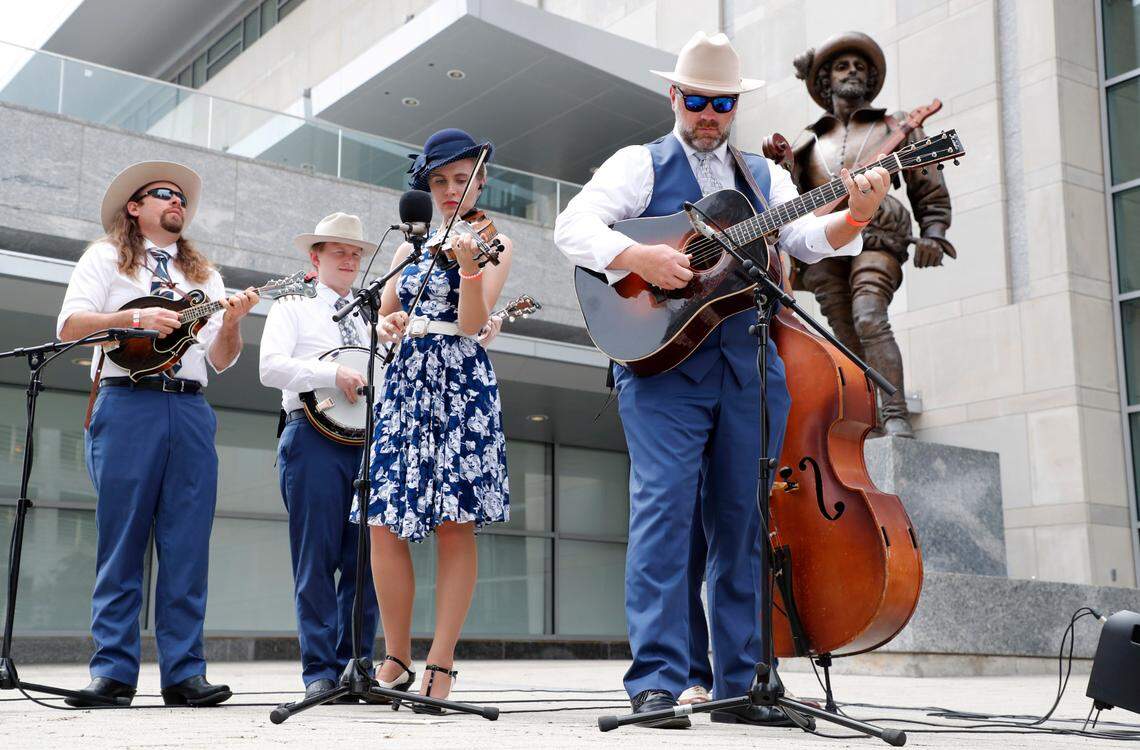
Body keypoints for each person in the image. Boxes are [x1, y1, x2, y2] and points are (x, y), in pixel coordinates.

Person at [554, 32, 889, 729]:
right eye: (698, 100)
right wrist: (640, 255)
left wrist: (856, 215)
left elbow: (803, 239)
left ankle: (742, 685)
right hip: (663, 366)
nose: (709, 115)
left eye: (723, 104)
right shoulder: (638, 164)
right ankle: (657, 682)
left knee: (742, 521)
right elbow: (572, 227)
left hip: (748, 363)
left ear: (736, 106)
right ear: (674, 96)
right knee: (664, 514)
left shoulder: (764, 179)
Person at [57, 161, 258, 707]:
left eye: (182, 199)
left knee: (187, 545)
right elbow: (69, 326)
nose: (177, 202)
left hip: (189, 408)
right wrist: (135, 320)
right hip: (127, 403)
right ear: (134, 206)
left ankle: (185, 675)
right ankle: (113, 673)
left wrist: (233, 322)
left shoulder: (204, 275)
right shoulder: (105, 257)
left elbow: (221, 359)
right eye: (164, 194)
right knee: (122, 541)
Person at [352, 128, 512, 712]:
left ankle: (441, 661)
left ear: (481, 181)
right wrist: (387, 324)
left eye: (461, 179)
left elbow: (472, 324)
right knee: (384, 520)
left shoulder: (495, 242)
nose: (449, 190)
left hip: (460, 383)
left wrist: (468, 269)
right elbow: (382, 317)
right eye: (439, 180)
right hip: (406, 381)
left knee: (454, 522)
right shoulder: (409, 246)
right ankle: (396, 658)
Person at [785, 31, 955, 437]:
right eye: (842, 66)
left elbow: (927, 183)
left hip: (878, 235)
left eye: (859, 66)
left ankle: (895, 414)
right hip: (823, 247)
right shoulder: (806, 142)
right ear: (825, 80)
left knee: (869, 316)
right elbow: (788, 200)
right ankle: (866, 420)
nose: (852, 72)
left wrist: (933, 231)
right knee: (843, 331)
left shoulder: (895, 126)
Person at [258, 212, 382, 700]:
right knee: (315, 559)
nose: (349, 260)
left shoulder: (370, 317)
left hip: (365, 443)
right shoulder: (293, 307)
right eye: (338, 252)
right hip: (312, 439)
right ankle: (319, 673)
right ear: (316, 258)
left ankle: (356, 667)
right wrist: (331, 375)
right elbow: (270, 367)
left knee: (365, 561)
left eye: (355, 253)